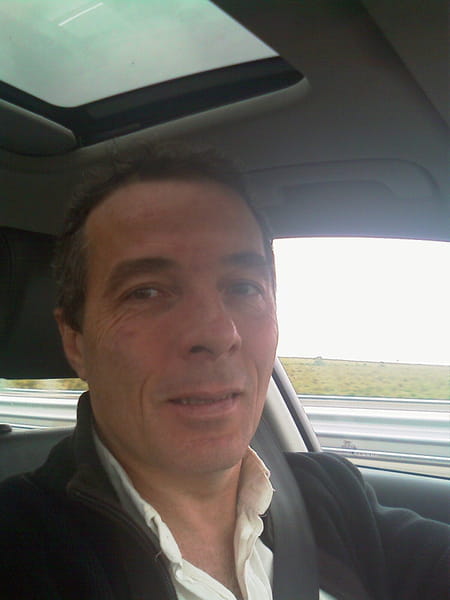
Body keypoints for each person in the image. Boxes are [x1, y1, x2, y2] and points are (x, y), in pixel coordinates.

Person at [0, 143, 448, 600]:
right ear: (75, 340)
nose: (217, 333)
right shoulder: (21, 550)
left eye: (243, 287)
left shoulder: (328, 495)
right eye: (146, 292)